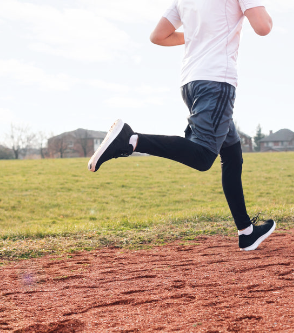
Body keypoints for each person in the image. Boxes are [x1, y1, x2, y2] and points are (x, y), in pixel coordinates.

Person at [88, 0, 275, 251]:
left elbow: (158, 36)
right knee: (203, 156)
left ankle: (247, 232)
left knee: (232, 154)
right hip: (217, 80)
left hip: (191, 83)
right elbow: (263, 27)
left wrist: (202, 36)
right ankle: (131, 140)